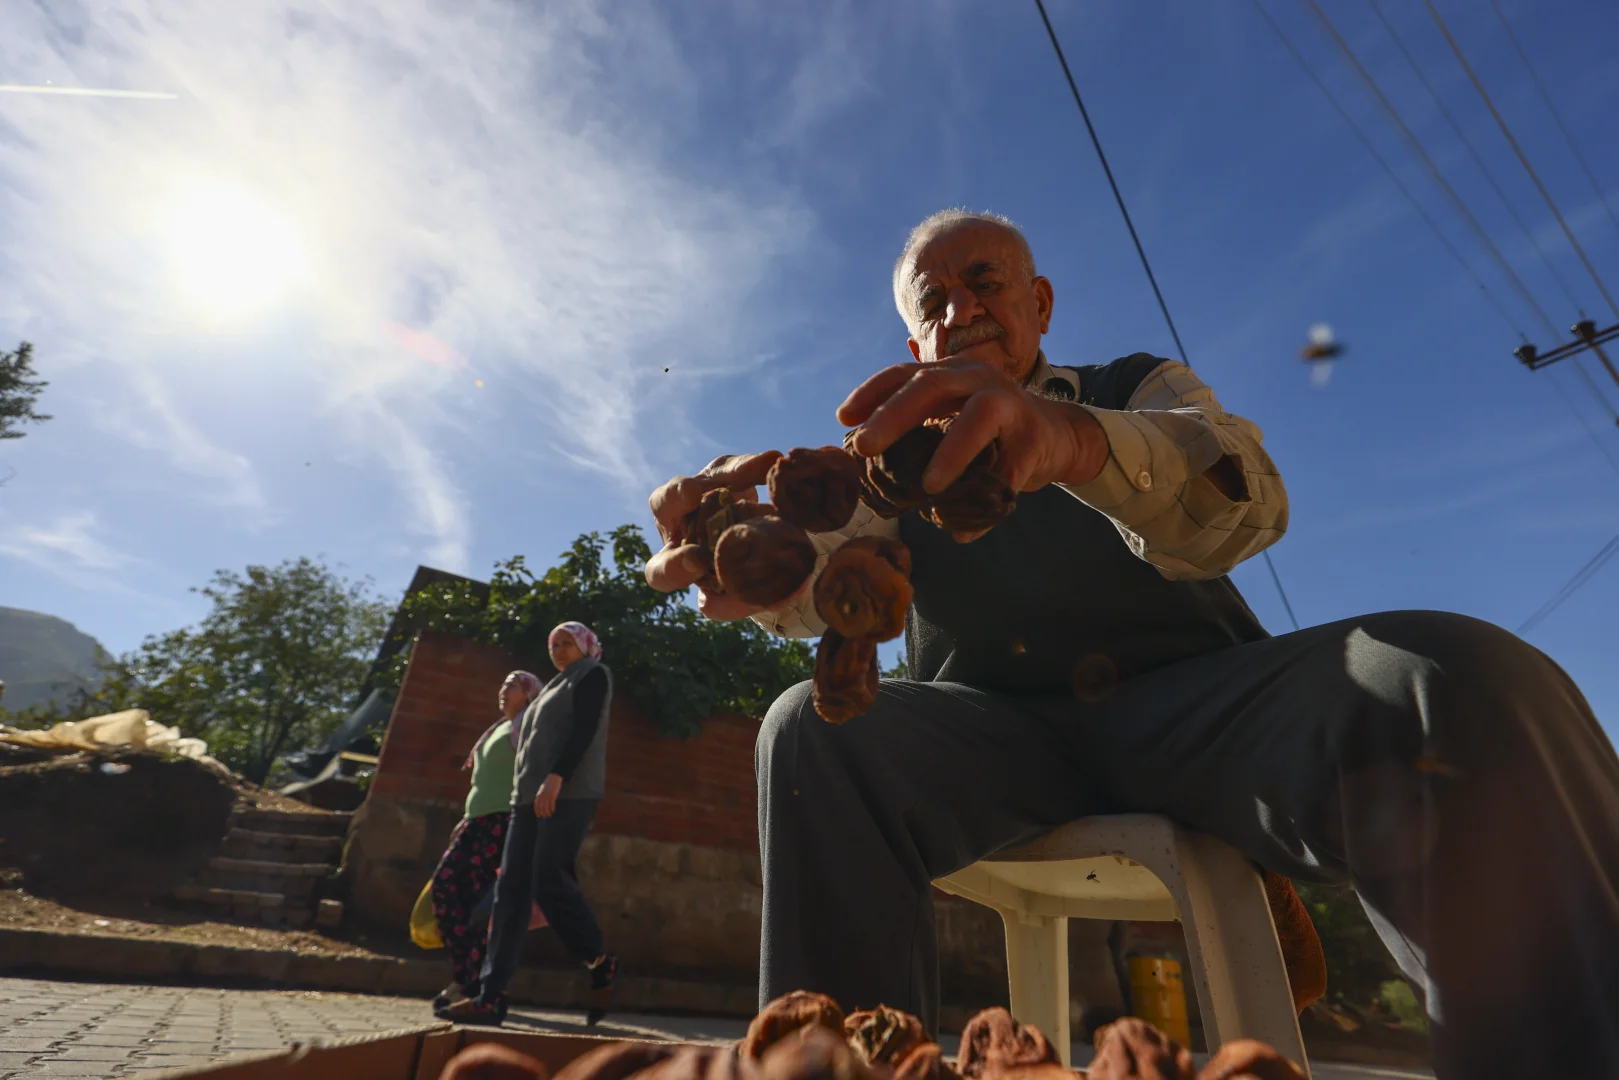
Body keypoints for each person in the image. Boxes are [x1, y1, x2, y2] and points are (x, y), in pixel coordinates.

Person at [643, 209, 1619, 1078]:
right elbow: (818, 581)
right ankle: (831, 1067)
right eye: (934, 298)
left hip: (1203, 713)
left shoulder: (1131, 385)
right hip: (994, 739)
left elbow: (1249, 495)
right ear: (914, 335)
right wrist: (738, 555)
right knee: (807, 734)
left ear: (1038, 302)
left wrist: (1072, 441)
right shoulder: (886, 460)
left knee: (1455, 678)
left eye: (983, 281)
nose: (963, 307)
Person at [443, 621, 619, 1026]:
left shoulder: (592, 675)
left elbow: (584, 729)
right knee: (509, 895)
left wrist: (557, 776)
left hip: (568, 793)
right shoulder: (551, 689)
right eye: (553, 643)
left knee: (548, 878)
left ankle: (598, 959)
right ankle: (490, 996)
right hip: (525, 800)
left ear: (586, 645)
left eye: (567, 643)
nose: (558, 650)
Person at [428, 669, 542, 1017]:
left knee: (481, 909)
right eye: (503, 683)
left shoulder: (526, 727)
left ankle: (472, 986)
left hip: (502, 825)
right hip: (476, 824)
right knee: (446, 890)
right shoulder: (496, 729)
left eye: (513, 685)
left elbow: (537, 772)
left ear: (529, 694)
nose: (504, 689)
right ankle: (468, 979)